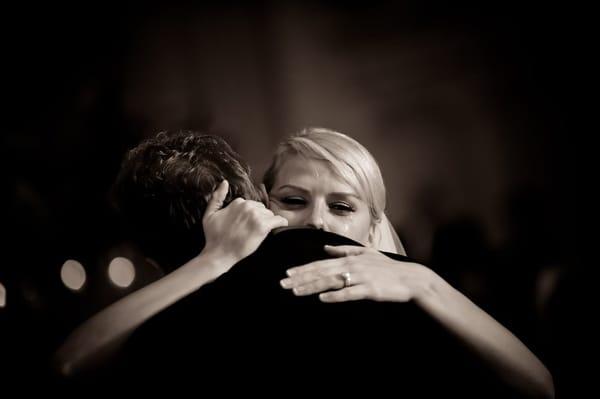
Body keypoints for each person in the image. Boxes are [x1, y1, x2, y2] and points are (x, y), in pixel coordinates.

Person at [56, 129, 554, 398]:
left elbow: (539, 386)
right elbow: (71, 363)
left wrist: (425, 283)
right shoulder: (231, 281)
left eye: (341, 207)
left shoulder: (408, 288)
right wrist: (214, 259)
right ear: (263, 204)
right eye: (294, 200)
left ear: (373, 222)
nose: (316, 220)